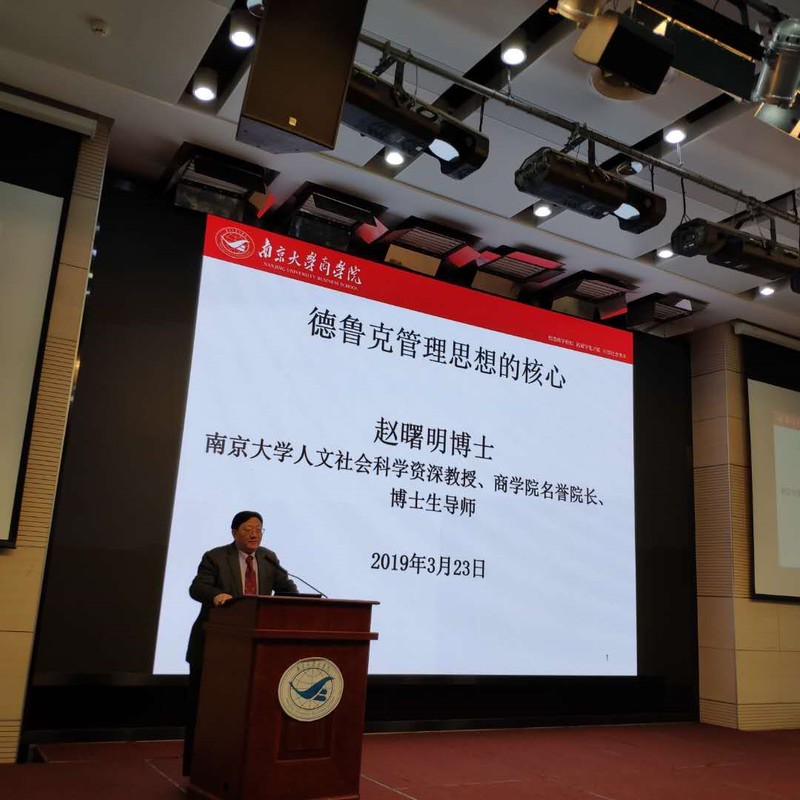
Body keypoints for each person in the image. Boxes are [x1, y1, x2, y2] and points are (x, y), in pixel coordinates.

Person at [183, 510, 297, 775]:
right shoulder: (215, 557)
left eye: (259, 529)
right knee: (204, 710)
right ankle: (198, 767)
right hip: (214, 646)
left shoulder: (268, 558)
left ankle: (242, 766)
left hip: (253, 651)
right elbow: (197, 588)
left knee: (246, 712)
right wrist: (217, 595)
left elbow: (287, 589)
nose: (254, 534)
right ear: (234, 532)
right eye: (248, 529)